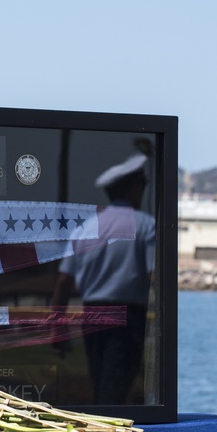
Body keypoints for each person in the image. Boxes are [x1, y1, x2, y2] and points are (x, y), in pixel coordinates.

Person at [51, 154, 156, 405]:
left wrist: (58, 327)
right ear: (134, 187)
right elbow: (154, 277)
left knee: (99, 377)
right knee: (116, 384)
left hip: (91, 313)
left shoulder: (85, 228)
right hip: (127, 316)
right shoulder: (145, 226)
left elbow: (63, 282)